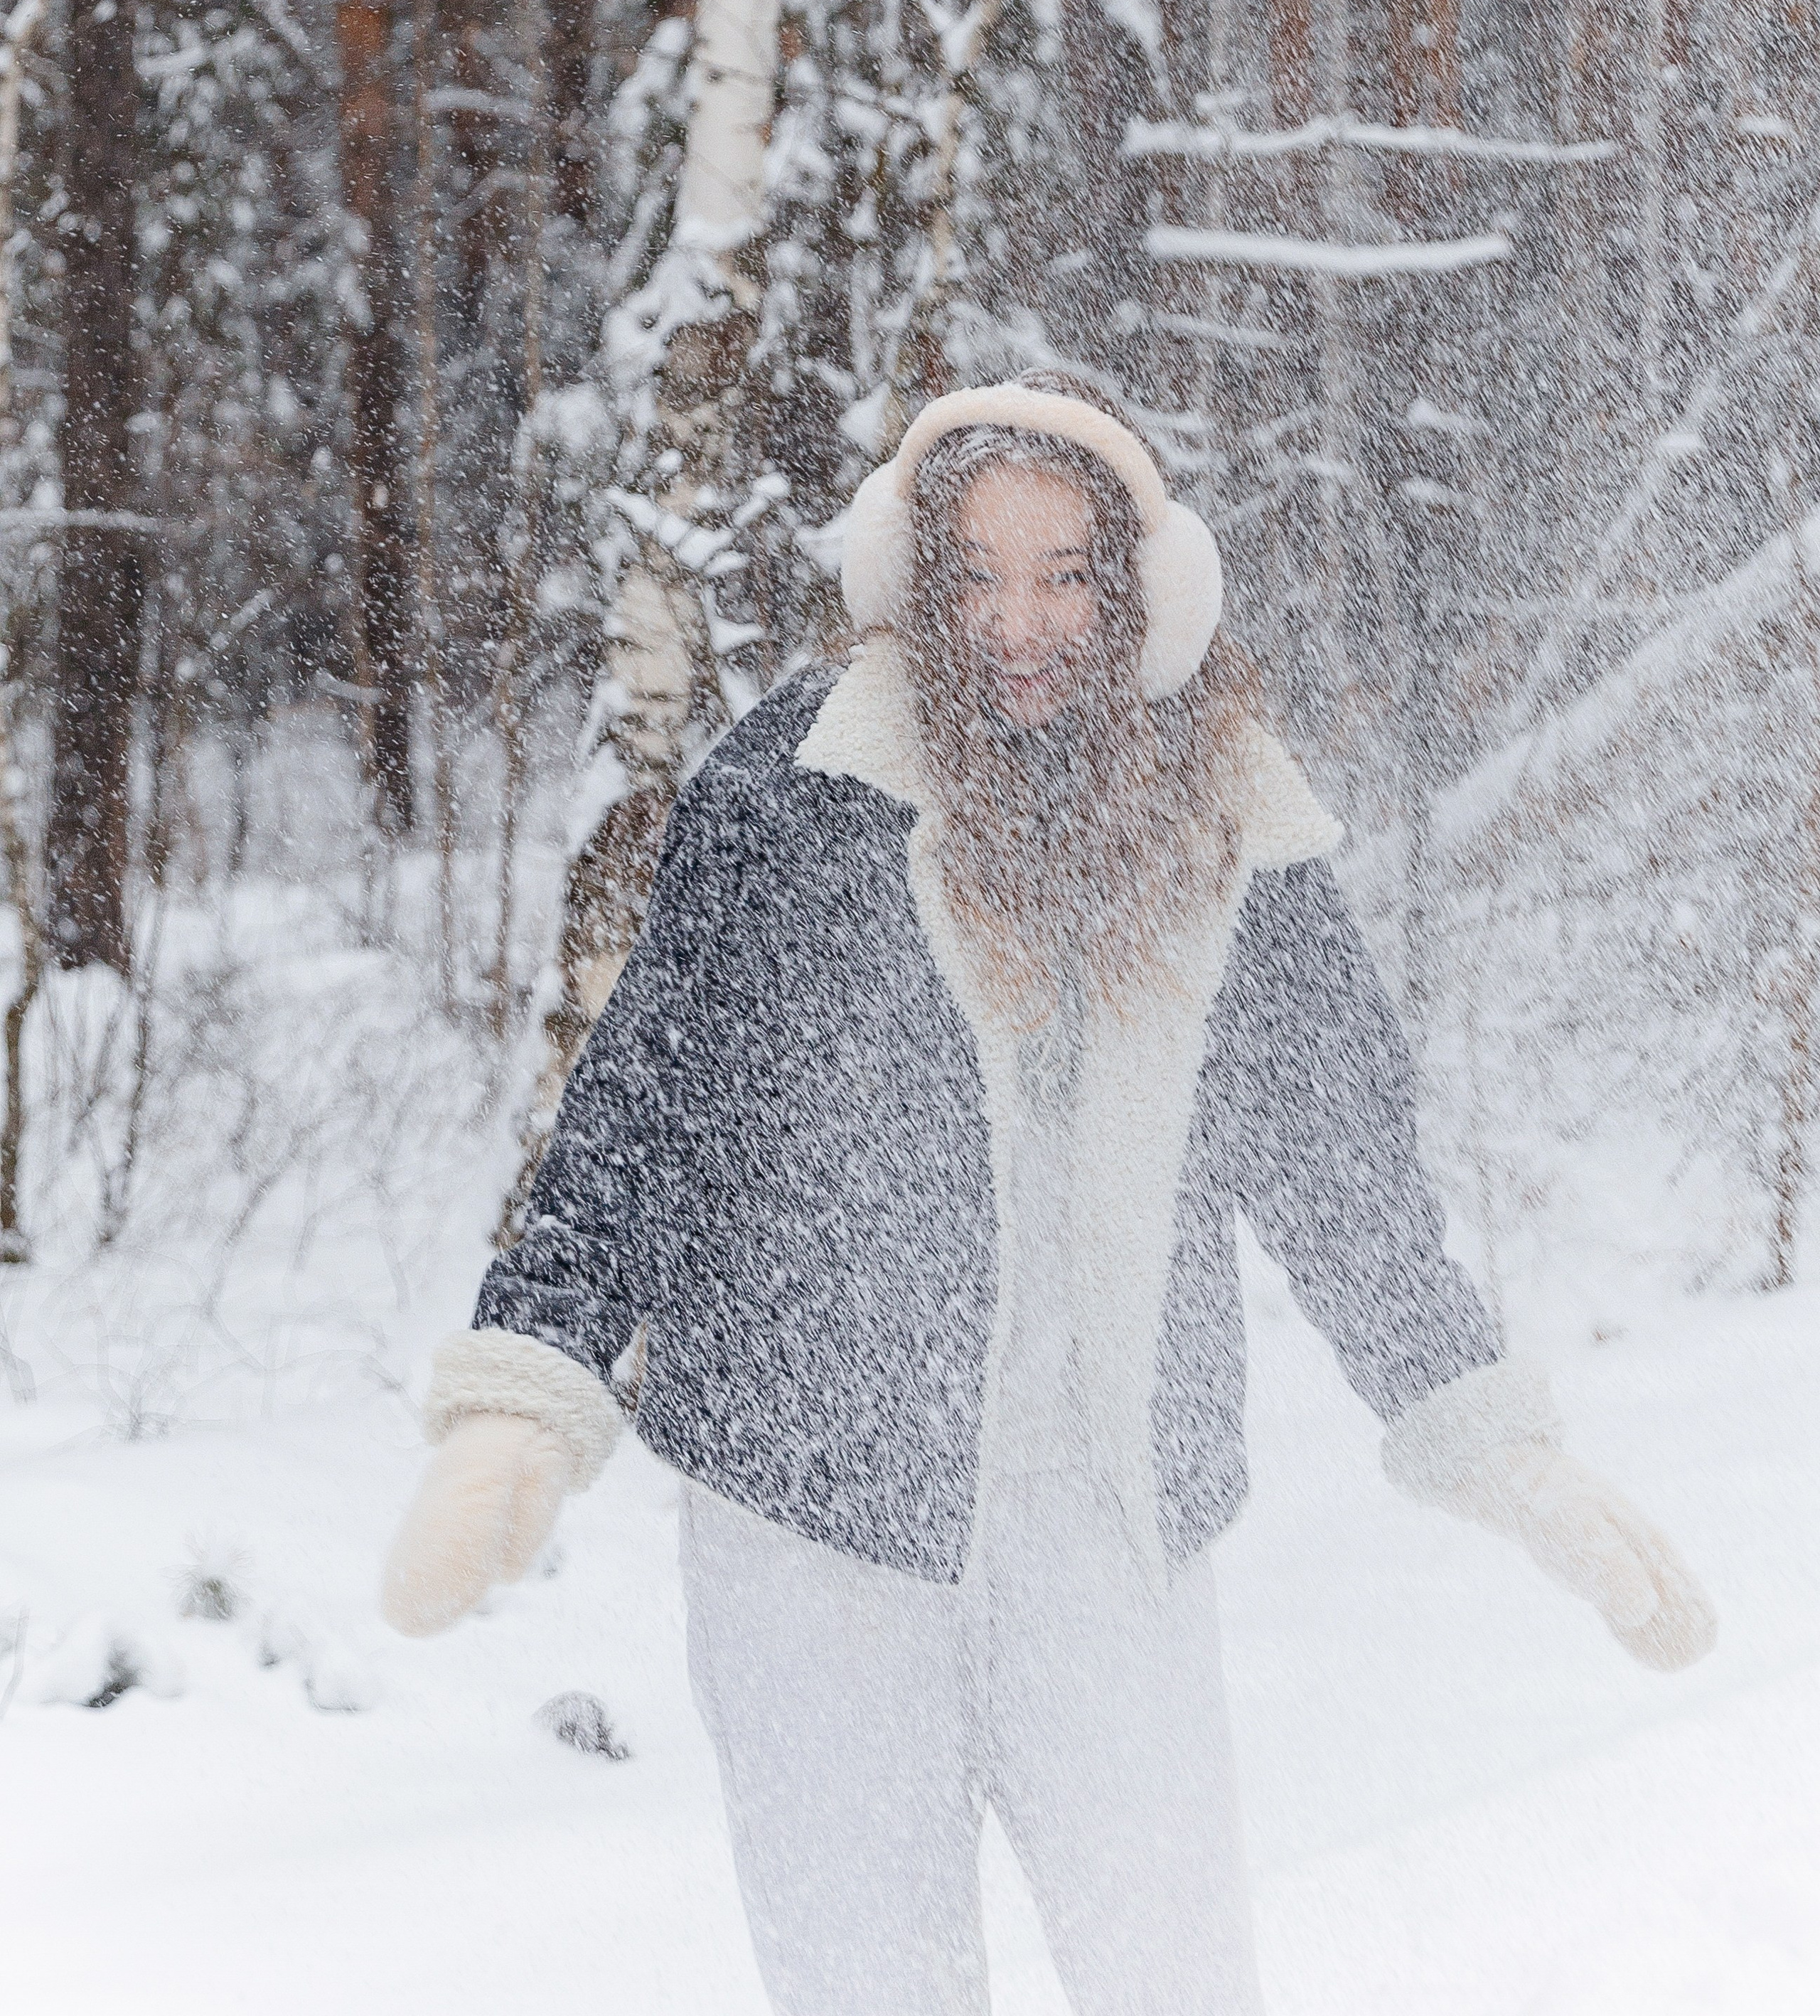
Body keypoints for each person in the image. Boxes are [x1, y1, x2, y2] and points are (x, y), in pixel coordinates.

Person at [381, 375, 1715, 2015]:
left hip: (1105, 1511)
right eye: (974, 576)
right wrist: (530, 1391)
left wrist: (1494, 1444)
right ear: (914, 586)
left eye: (1068, 572)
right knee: (874, 1987)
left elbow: (1343, 1175)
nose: (1019, 622)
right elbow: (649, 1107)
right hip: (813, 1525)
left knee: (1173, 1977)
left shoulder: (1229, 820)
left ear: (1139, 584)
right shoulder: (801, 792)